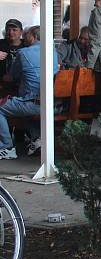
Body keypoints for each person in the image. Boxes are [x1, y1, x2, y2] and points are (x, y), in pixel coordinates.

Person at [0, 26, 58, 159]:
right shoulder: (53, 51)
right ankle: (37, 139)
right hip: (54, 103)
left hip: (34, 103)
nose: (25, 36)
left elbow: (11, 77)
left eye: (27, 34)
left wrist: (4, 76)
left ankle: (6, 146)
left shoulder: (23, 53)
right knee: (21, 101)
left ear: (34, 36)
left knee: (5, 106)